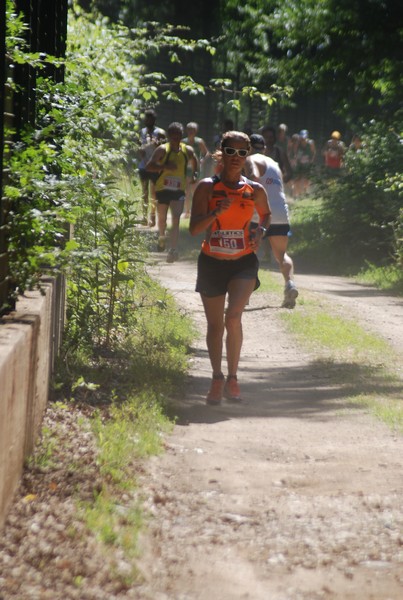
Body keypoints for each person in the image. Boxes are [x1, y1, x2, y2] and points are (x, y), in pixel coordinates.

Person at [189, 131, 271, 405]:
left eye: (241, 153)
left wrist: (260, 230)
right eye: (231, 151)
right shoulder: (206, 188)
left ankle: (233, 378)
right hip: (212, 262)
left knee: (233, 317)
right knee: (215, 325)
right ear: (221, 152)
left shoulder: (254, 190)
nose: (236, 158)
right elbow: (194, 229)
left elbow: (267, 216)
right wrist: (215, 213)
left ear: (247, 156)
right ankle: (216, 378)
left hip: (243, 263)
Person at [245, 134, 299, 309]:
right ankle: (290, 283)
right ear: (264, 147)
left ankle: (243, 295)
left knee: (247, 253)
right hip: (280, 213)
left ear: (248, 147)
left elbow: (253, 178)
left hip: (259, 213)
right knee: (281, 255)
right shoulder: (274, 164)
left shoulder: (250, 159)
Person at [146, 122, 197, 262]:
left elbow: (194, 160)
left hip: (178, 190)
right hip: (163, 188)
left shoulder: (187, 150)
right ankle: (162, 236)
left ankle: (173, 250)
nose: (176, 138)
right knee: (162, 219)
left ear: (181, 135)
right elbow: (149, 166)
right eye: (173, 136)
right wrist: (165, 166)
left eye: (178, 135)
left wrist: (194, 174)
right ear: (169, 136)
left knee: (176, 218)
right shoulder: (162, 150)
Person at [137, 109, 166, 227]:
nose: (148, 120)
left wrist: (157, 144)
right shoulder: (141, 132)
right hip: (143, 166)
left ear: (154, 120)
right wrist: (140, 151)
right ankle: (144, 217)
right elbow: (137, 146)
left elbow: (164, 148)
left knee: (153, 193)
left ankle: (152, 217)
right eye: (146, 118)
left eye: (150, 118)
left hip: (155, 166)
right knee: (144, 192)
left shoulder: (160, 132)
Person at [182, 122, 210, 217]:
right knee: (186, 191)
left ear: (196, 131)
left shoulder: (199, 142)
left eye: (193, 130)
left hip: (196, 168)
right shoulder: (183, 142)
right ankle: (186, 211)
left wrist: (202, 160)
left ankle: (196, 211)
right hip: (185, 168)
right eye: (189, 130)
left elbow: (206, 153)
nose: (191, 132)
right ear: (186, 130)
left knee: (195, 190)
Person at [294, 129, 316, 196]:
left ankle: (305, 191)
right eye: (302, 138)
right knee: (297, 178)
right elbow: (295, 151)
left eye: (304, 137)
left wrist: (312, 160)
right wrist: (297, 158)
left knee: (307, 178)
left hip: (307, 163)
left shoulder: (311, 143)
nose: (303, 139)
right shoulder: (298, 143)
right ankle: (297, 193)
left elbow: (313, 152)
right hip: (300, 163)